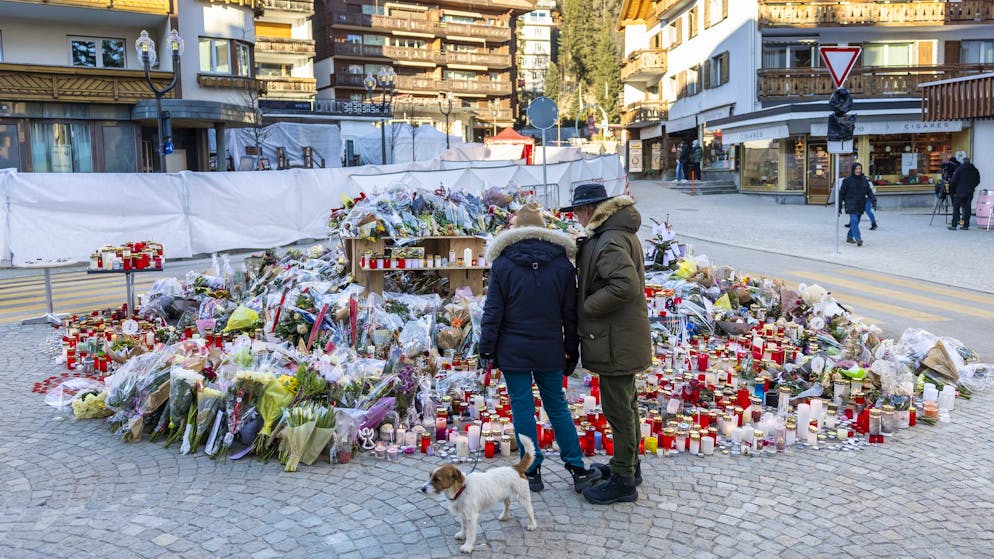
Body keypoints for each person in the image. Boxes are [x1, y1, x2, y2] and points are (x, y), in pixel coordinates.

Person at [478, 203, 602, 494]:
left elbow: (493, 311)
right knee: (557, 406)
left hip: (513, 348)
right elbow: (570, 314)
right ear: (544, 230)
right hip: (549, 347)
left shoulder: (504, 263)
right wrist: (571, 349)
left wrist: (486, 350)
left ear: (517, 230)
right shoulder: (562, 264)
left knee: (522, 407)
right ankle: (576, 467)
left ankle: (531, 471)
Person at [566, 184, 652, 505]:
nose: (576, 218)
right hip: (620, 336)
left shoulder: (610, 239)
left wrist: (587, 306)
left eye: (577, 212)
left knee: (618, 408)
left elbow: (624, 285)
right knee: (626, 404)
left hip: (617, 339)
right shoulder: (612, 233)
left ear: (589, 210)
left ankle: (623, 480)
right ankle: (628, 464)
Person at [839, 162, 876, 247]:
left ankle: (849, 236)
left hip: (861, 203)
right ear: (853, 170)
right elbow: (842, 194)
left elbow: (869, 191)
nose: (858, 170)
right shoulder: (847, 180)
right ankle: (858, 238)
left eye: (859, 169)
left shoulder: (864, 180)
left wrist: (873, 201)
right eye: (856, 169)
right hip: (850, 203)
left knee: (856, 222)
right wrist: (840, 206)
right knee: (854, 220)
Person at [948, 156, 980, 230]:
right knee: (967, 208)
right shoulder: (975, 170)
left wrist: (954, 189)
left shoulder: (960, 169)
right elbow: (978, 181)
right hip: (970, 192)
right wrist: (972, 186)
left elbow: (952, 181)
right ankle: (966, 225)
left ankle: (954, 225)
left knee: (956, 208)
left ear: (963, 162)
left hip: (960, 192)